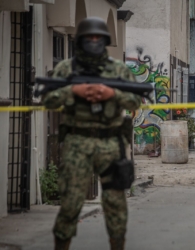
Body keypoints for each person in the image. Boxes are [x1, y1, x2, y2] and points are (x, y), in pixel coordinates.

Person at [42, 17, 141, 250]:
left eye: (98, 37)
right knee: (70, 203)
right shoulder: (67, 68)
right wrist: (74, 91)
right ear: (81, 40)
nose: (94, 41)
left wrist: (111, 94)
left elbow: (136, 100)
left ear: (105, 40)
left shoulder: (118, 70)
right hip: (78, 141)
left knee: (116, 203)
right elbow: (48, 99)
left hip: (111, 142)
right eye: (89, 37)